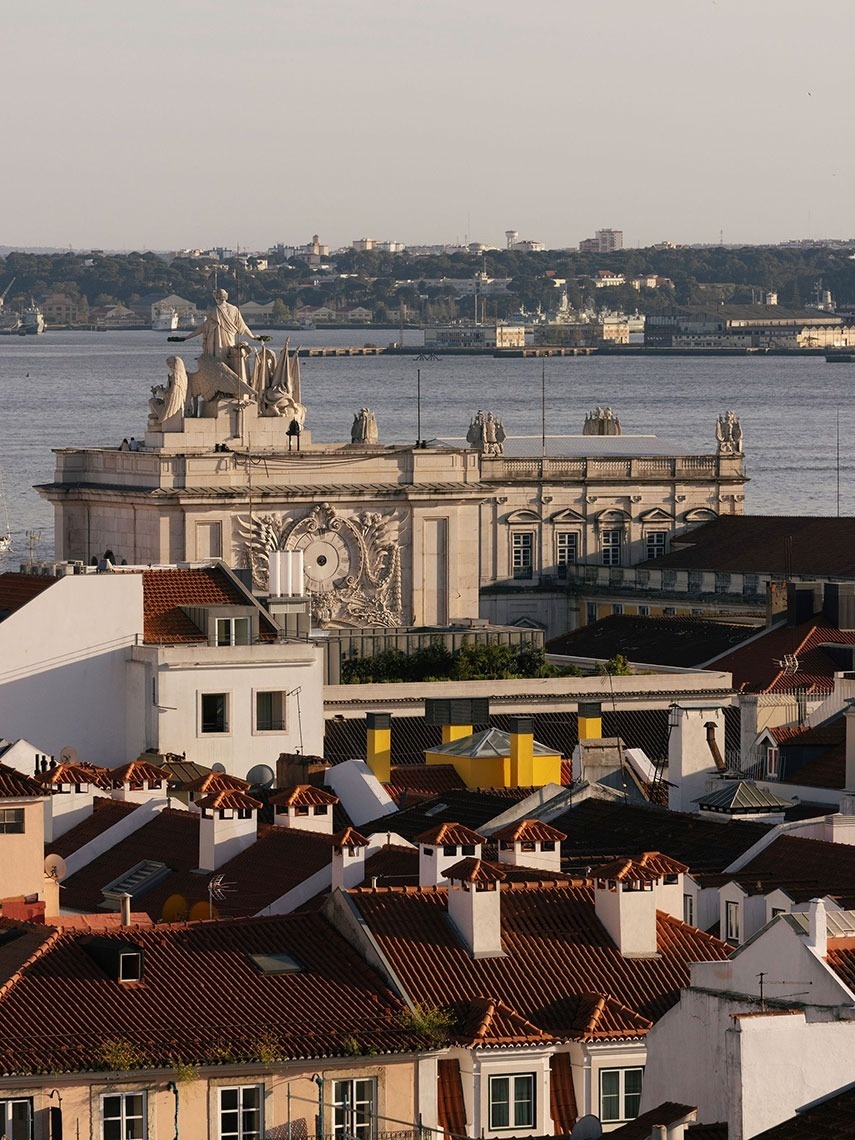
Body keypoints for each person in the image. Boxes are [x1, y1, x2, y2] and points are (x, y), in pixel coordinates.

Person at [183, 289, 258, 364]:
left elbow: (203, 327)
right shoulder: (234, 309)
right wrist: (252, 336)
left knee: (220, 362)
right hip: (230, 341)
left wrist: (186, 337)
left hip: (218, 345)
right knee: (230, 361)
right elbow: (243, 326)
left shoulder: (216, 310)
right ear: (226, 297)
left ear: (216, 297)